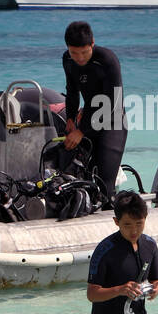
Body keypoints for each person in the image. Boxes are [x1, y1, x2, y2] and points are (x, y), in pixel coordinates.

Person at [62, 21, 128, 200]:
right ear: (67, 48)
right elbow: (72, 91)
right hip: (88, 119)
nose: (80, 58)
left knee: (103, 187)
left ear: (92, 44)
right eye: (74, 52)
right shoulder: (67, 60)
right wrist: (70, 118)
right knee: (81, 179)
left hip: (112, 122)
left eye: (84, 52)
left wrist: (81, 131)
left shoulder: (107, 60)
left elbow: (112, 103)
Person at [86, 191, 158, 314]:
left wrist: (156, 289)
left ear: (146, 218)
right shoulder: (104, 250)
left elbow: (157, 280)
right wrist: (120, 290)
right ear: (116, 222)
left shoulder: (150, 245)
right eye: (127, 225)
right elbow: (92, 294)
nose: (134, 230)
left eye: (139, 223)